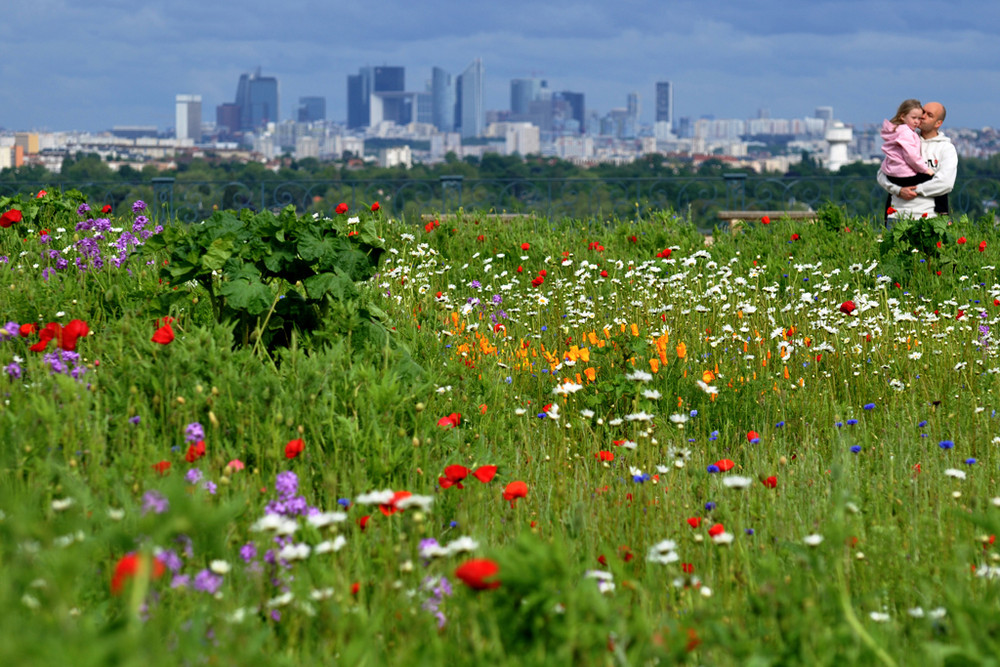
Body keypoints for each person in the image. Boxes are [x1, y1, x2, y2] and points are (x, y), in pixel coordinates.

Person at [877, 101, 957, 222]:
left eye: (929, 115)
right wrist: (898, 190)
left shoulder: (946, 148)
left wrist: (915, 190)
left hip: (927, 217)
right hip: (896, 215)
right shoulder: (905, 138)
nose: (923, 116)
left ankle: (944, 212)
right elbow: (883, 174)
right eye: (923, 112)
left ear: (938, 123)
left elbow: (945, 183)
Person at [880, 99, 935, 186]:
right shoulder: (906, 133)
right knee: (934, 180)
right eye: (913, 118)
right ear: (902, 116)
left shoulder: (896, 131)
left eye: (919, 118)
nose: (917, 121)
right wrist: (925, 169)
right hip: (904, 174)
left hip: (891, 173)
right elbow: (911, 156)